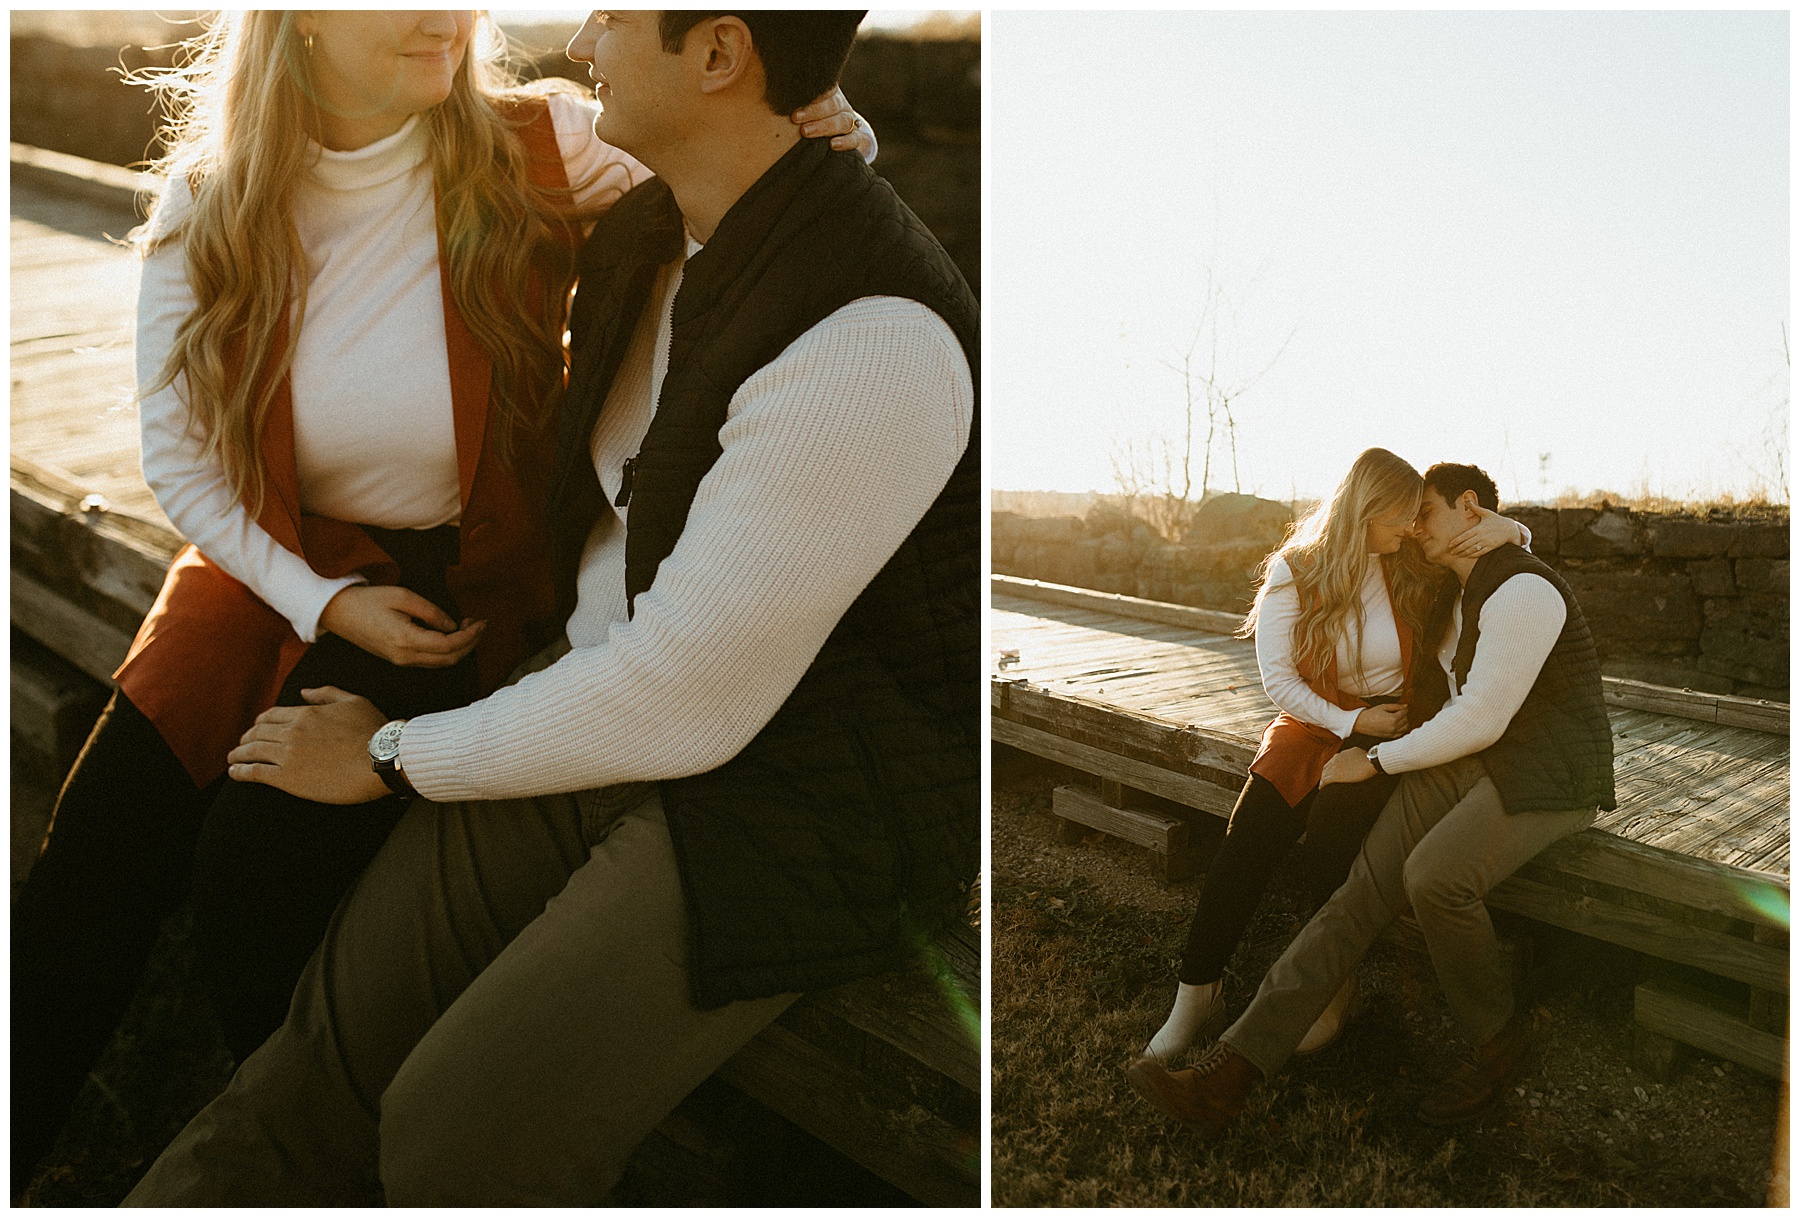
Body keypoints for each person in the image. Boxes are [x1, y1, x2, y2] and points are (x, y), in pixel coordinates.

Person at [124, 9, 976, 1205]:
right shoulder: (642, 235)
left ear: (720, 54)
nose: (584, 30)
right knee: (307, 1072)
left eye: (619, 13)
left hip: (797, 789)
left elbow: (686, 702)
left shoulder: (873, 340)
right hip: (592, 697)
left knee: (454, 1137)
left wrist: (388, 753)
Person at [1129, 462, 1615, 1137]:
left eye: (1427, 514)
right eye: (1408, 516)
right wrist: (1508, 529)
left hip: (1550, 771)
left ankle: (1498, 1043)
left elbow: (1480, 718)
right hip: (1471, 759)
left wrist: (1375, 759)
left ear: (1468, 509)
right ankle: (1228, 1075)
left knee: (1433, 878)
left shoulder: (1524, 593)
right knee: (1360, 891)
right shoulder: (1451, 581)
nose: (1414, 528)